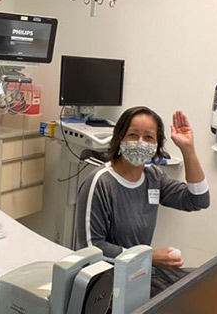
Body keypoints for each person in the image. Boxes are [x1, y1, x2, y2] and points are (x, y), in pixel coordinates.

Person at [75, 106, 209, 296]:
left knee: (201, 287)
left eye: (148, 137)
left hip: (138, 273)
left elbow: (198, 200)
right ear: (120, 137)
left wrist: (188, 150)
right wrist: (149, 257)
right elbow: (92, 248)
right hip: (105, 284)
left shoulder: (153, 177)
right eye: (132, 135)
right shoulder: (101, 182)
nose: (140, 143)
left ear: (157, 144)